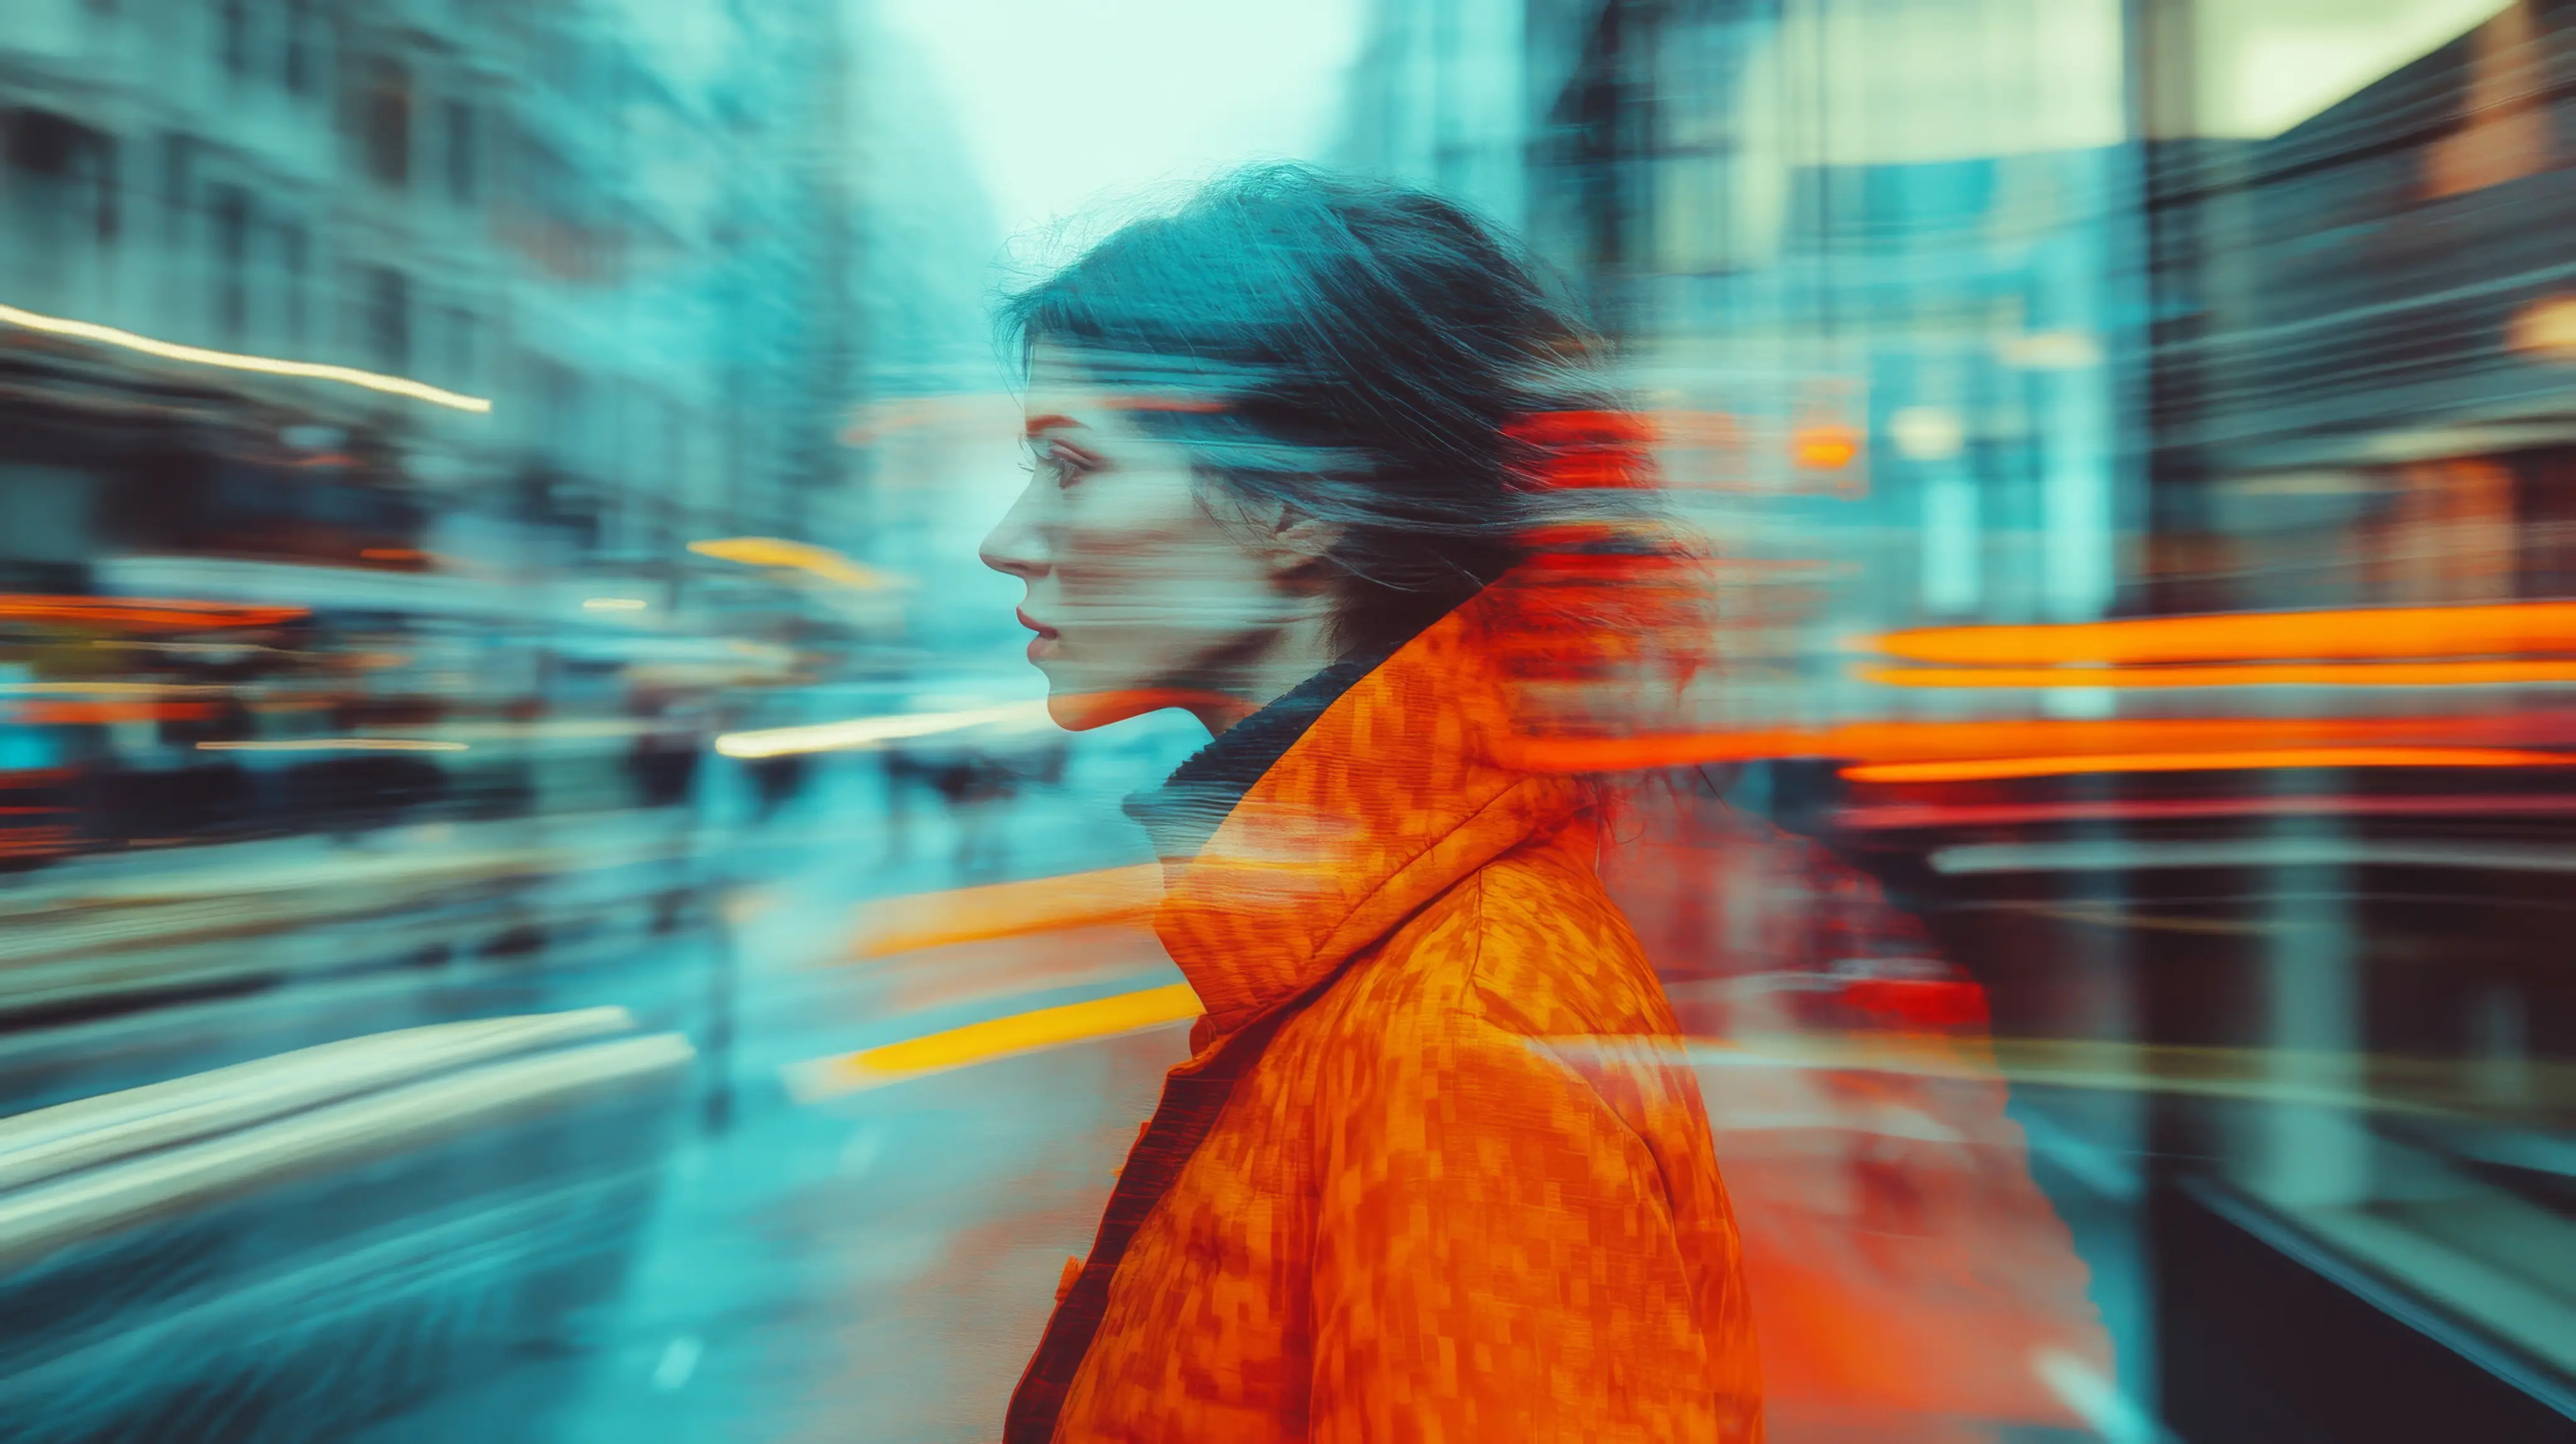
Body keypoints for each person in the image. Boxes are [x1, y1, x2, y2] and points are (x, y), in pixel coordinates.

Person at [978, 164, 1760, 1443]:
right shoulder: (1364, 950)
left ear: (1291, 499)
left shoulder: (1462, 1024)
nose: (1006, 538)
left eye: (1069, 466)